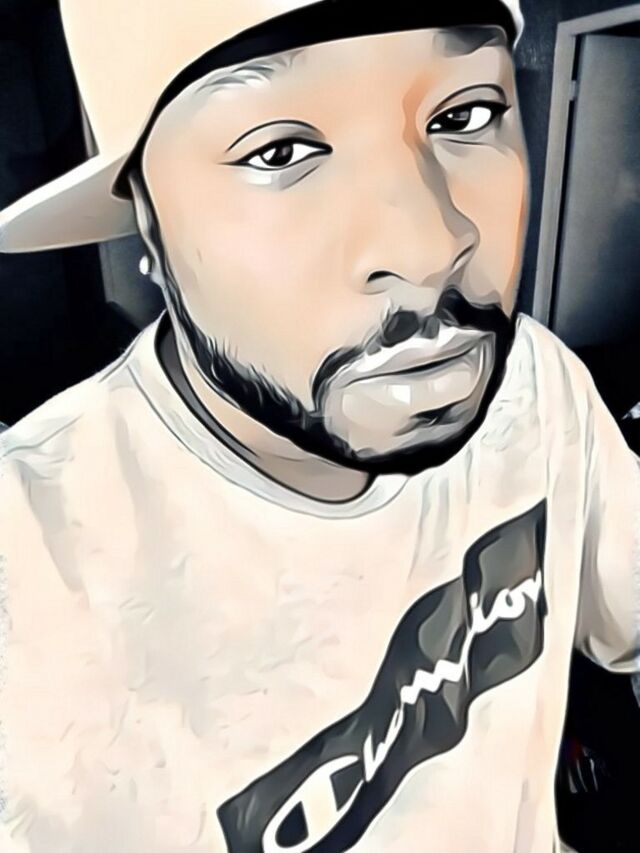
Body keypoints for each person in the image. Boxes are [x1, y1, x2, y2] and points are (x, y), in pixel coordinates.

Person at [0, 1, 637, 851]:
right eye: (280, 152)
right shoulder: (31, 580)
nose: (431, 244)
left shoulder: (537, 387)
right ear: (151, 222)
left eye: (465, 115)